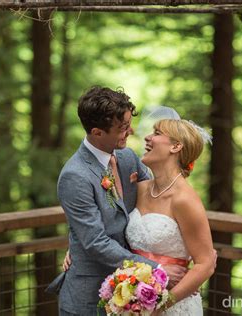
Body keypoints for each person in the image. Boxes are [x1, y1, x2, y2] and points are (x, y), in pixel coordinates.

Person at [47, 87, 187, 315]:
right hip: (88, 300)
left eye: (129, 123)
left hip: (132, 296)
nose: (131, 131)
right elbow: (96, 243)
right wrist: (158, 269)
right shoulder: (75, 176)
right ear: (97, 132)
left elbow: (162, 193)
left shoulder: (128, 158)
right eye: (123, 128)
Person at [126, 118, 216, 315]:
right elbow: (108, 223)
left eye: (157, 133)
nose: (148, 138)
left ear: (176, 146)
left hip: (173, 307)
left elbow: (206, 264)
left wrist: (162, 306)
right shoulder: (138, 189)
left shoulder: (184, 199)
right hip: (133, 302)